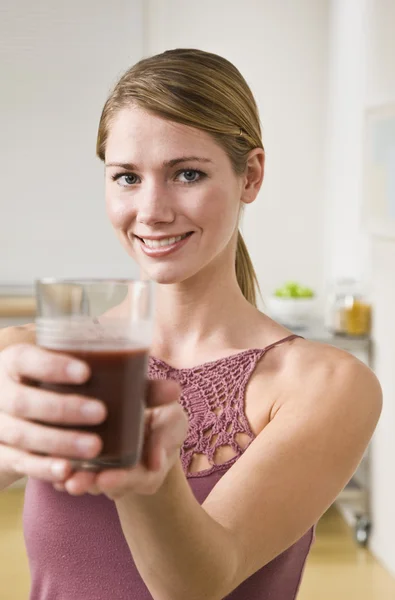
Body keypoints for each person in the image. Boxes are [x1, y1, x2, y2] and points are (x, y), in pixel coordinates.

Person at [0, 48, 382, 600]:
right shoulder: (34, 355)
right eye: (127, 177)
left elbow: (198, 585)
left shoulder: (325, 386)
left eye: (186, 174)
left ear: (250, 176)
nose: (151, 210)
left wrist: (141, 472)